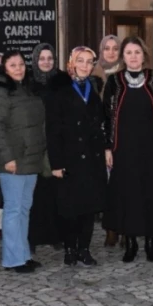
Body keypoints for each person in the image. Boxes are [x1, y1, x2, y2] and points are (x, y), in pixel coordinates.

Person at [103, 37, 153, 262]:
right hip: (123, 149)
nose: (133, 56)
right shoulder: (114, 81)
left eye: (137, 52)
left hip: (150, 148)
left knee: (150, 194)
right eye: (128, 52)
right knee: (126, 196)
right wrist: (107, 148)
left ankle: (150, 242)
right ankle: (130, 243)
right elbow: (106, 117)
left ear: (144, 55)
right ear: (123, 56)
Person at [0, 50, 47, 274]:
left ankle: (22, 254)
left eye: (21, 64)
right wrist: (7, 157)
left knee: (24, 209)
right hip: (12, 160)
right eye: (13, 65)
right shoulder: (0, 90)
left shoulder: (28, 89)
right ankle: (12, 259)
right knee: (13, 210)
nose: (19, 68)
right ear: (4, 68)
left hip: (31, 159)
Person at [46, 46, 108, 267]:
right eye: (80, 61)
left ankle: (84, 248)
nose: (85, 65)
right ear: (71, 63)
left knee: (88, 208)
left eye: (89, 61)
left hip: (92, 158)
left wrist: (105, 149)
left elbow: (100, 123)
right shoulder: (59, 91)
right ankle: (70, 248)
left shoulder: (93, 88)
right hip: (69, 158)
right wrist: (56, 163)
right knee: (69, 208)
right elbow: (52, 130)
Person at [28, 42, 63, 251]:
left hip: (56, 142)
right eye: (42, 59)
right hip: (34, 143)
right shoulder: (28, 84)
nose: (46, 62)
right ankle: (33, 237)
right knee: (34, 192)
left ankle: (55, 235)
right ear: (35, 61)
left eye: (50, 58)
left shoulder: (61, 82)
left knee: (55, 192)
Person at [94, 33, 124, 248]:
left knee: (122, 185)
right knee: (105, 186)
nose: (111, 52)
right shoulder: (92, 71)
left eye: (115, 48)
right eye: (107, 48)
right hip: (97, 136)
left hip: (122, 137)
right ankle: (110, 228)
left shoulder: (127, 73)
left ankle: (123, 227)